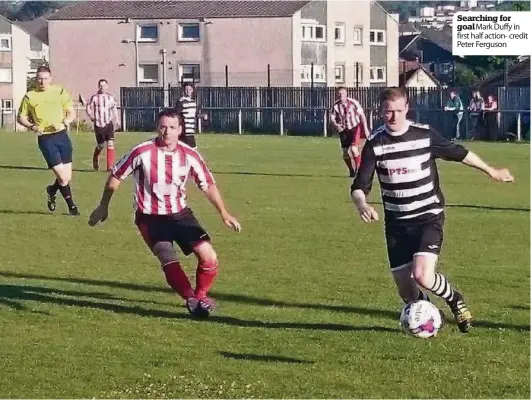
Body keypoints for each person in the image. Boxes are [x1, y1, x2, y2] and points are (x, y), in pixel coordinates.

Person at [350, 87, 514, 333]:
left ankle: (454, 299)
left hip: (428, 216)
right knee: (406, 291)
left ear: (407, 109)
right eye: (388, 112)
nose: (393, 117)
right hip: (397, 224)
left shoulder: (424, 135)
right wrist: (362, 203)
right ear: (380, 112)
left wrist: (492, 171)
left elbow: (460, 153)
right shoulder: (376, 143)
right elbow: (359, 186)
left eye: (398, 111)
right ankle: (425, 315)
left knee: (423, 276)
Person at [88, 108, 241, 317]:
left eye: (171, 127)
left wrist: (224, 212)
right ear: (157, 128)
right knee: (168, 257)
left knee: (209, 257)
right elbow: (116, 176)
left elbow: (207, 184)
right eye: (162, 127)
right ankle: (192, 300)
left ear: (180, 130)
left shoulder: (190, 155)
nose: (166, 132)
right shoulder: (142, 151)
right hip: (150, 217)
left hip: (180, 215)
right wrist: (103, 205)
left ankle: (201, 295)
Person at [17, 65, 80, 216]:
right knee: (63, 178)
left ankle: (52, 190)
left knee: (67, 177)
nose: (42, 82)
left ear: (50, 79)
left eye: (45, 79)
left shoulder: (59, 92)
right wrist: (32, 126)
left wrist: (65, 122)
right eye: (39, 79)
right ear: (35, 79)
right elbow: (20, 117)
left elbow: (71, 112)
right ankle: (72, 207)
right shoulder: (30, 96)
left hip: (62, 136)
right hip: (45, 138)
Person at [330, 87, 371, 177]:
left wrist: (366, 129)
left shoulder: (353, 103)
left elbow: (362, 115)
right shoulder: (335, 106)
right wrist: (337, 125)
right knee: (345, 153)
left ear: (346, 94)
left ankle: (358, 168)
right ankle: (351, 170)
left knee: (353, 149)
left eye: (343, 94)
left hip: (355, 127)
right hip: (344, 130)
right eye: (339, 94)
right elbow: (332, 119)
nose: (341, 96)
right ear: (337, 95)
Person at [86, 79, 120, 171]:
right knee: (101, 145)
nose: (102, 87)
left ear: (107, 86)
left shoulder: (110, 97)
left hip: (109, 123)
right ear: (98, 87)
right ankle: (95, 158)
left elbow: (114, 109)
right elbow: (88, 107)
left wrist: (117, 119)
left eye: (104, 85)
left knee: (110, 143)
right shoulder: (95, 97)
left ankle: (110, 167)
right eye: (100, 86)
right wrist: (90, 116)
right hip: (98, 124)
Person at [175, 83, 207, 149]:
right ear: (183, 91)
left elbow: (194, 115)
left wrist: (202, 116)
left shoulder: (193, 102)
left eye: (189, 89)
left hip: (191, 130)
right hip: (184, 131)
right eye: (186, 89)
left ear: (192, 90)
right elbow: (177, 115)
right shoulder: (181, 101)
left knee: (186, 151)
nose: (187, 91)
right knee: (192, 150)